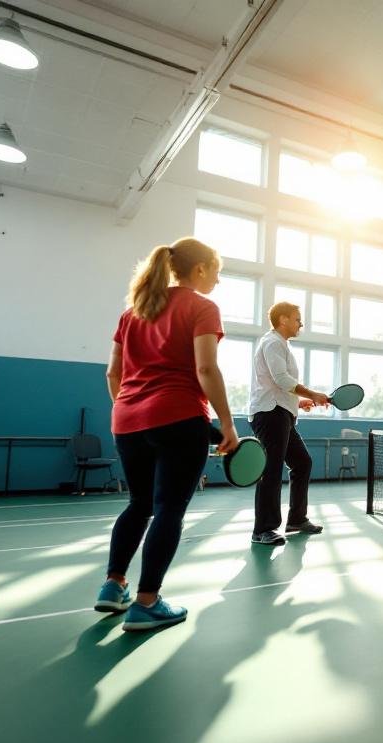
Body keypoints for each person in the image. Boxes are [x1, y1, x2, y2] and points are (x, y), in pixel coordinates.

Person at [97, 237, 239, 632]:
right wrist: (227, 423)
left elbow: (113, 373)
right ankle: (147, 602)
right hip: (178, 416)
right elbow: (206, 369)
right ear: (199, 270)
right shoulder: (202, 307)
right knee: (169, 508)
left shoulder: (133, 313)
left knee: (139, 503)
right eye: (217, 272)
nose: (218, 281)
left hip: (126, 420)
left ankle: (113, 586)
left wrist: (130, 409)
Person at [248, 301, 330, 545]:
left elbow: (279, 385)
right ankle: (262, 529)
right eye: (297, 319)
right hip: (269, 414)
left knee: (302, 462)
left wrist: (299, 402)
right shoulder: (272, 342)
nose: (300, 323)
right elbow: (282, 379)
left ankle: (296, 519)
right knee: (271, 470)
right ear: (283, 319)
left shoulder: (280, 344)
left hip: (280, 412)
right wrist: (313, 394)